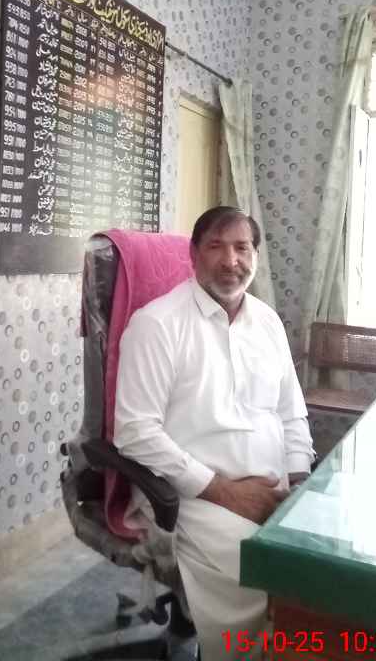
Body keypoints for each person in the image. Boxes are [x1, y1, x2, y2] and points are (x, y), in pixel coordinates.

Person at [114, 206, 314, 660]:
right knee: (262, 575)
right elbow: (135, 431)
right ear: (193, 255)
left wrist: (300, 480)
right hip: (191, 495)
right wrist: (225, 492)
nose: (230, 261)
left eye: (242, 248)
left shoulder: (268, 322)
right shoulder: (157, 324)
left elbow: (292, 412)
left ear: (256, 255)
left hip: (273, 485)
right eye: (216, 247)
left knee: (320, 569)